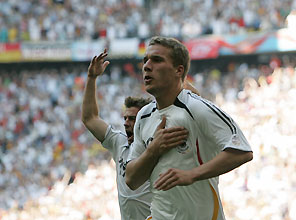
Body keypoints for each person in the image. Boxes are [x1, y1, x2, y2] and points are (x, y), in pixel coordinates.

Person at [125, 36, 253, 220]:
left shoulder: (196, 108)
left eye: (157, 60)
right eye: (146, 60)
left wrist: (192, 175)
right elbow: (131, 179)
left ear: (179, 70)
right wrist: (153, 150)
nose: (146, 66)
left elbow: (242, 151)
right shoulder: (144, 116)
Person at [81, 49, 196, 220]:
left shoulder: (159, 144)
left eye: (133, 119)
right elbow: (90, 118)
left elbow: (195, 103)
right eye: (125, 118)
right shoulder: (119, 143)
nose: (126, 123)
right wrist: (91, 78)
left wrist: (175, 79)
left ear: (144, 121)